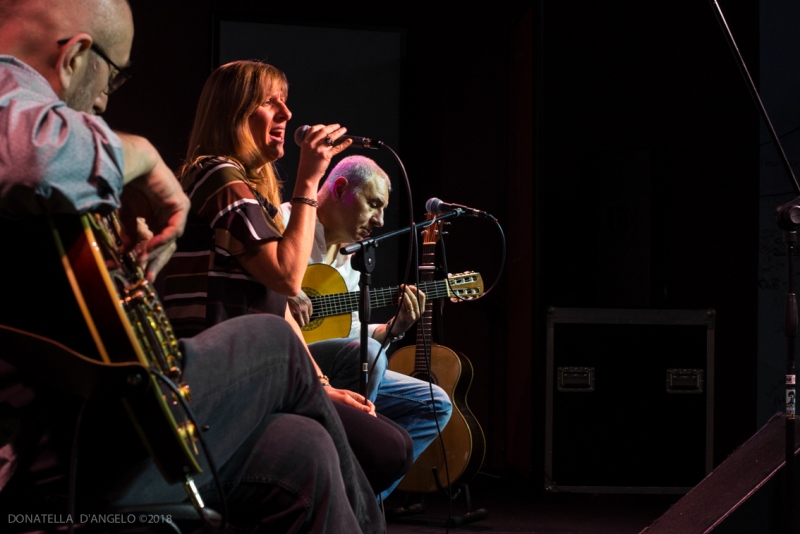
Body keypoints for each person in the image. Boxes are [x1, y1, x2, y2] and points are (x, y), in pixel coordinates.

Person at [0, 0, 384, 532]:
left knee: (305, 448)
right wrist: (137, 155)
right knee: (274, 345)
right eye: (113, 73)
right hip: (51, 453)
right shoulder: (17, 104)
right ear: (75, 57)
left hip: (87, 421)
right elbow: (24, 154)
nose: (107, 97)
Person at [160, 60, 412, 495]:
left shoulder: (249, 190)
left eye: (286, 102)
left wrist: (322, 384)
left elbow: (280, 311)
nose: (287, 114)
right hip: (226, 373)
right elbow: (286, 281)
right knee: (384, 451)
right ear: (234, 112)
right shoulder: (217, 175)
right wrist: (309, 180)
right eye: (269, 102)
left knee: (387, 448)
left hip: (266, 365)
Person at [282, 155, 453, 501]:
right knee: (369, 354)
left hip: (333, 360)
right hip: (289, 359)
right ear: (341, 188)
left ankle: (363, 498)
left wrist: (396, 326)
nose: (380, 220)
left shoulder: (348, 262)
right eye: (374, 204)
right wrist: (282, 292)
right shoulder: (288, 222)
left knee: (435, 403)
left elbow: (353, 335)